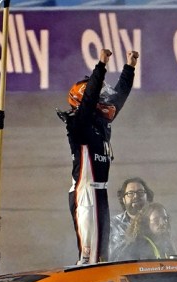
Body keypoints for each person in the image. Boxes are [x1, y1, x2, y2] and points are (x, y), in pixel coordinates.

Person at [58, 48, 139, 264]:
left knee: (103, 256)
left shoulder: (101, 124)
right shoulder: (79, 124)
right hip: (85, 195)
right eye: (100, 96)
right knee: (88, 256)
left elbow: (118, 98)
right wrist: (101, 66)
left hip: (99, 193)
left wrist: (129, 68)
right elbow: (90, 98)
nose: (105, 99)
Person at [109, 177, 154, 259]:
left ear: (147, 197)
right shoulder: (112, 224)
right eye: (130, 193)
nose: (136, 196)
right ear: (123, 199)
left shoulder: (156, 222)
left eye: (140, 192)